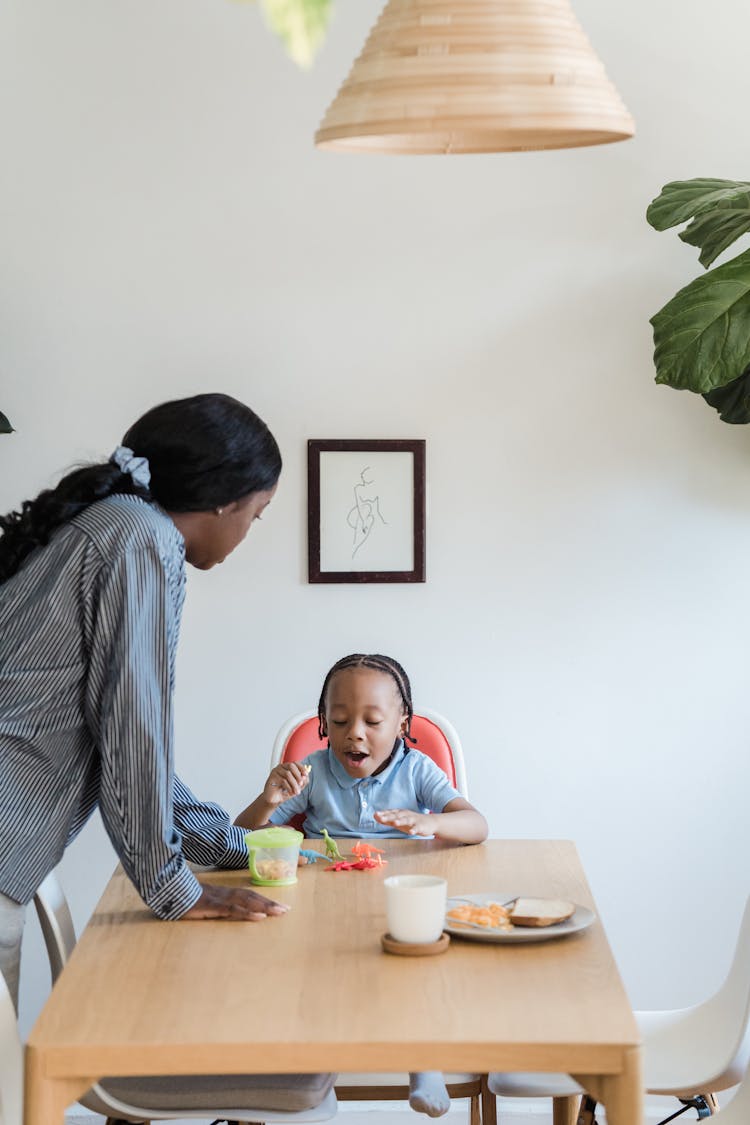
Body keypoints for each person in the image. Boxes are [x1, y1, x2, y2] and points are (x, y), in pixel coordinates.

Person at [0, 393, 289, 1013]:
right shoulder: (141, 538)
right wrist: (174, 889)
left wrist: (234, 848)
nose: (247, 534)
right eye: (257, 515)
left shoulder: (112, 524)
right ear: (224, 498)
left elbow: (130, 742)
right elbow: (133, 733)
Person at [237, 652, 488, 1117]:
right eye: (340, 719)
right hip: (323, 902)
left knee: (413, 962)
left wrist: (428, 823)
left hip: (397, 899)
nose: (355, 732)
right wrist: (267, 801)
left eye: (373, 721)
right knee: (309, 967)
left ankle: (423, 1061)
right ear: (323, 724)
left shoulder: (416, 771)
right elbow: (241, 842)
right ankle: (311, 1069)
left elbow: (477, 825)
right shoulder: (312, 772)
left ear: (402, 724)